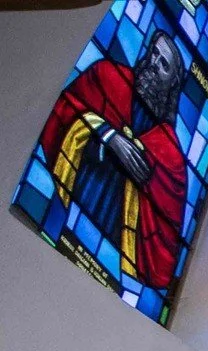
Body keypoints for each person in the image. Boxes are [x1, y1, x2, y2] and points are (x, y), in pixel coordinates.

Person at [33, 29, 191, 293]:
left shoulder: (171, 152)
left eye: (163, 65)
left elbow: (167, 220)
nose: (153, 64)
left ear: (172, 84)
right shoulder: (107, 76)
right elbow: (66, 108)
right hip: (71, 199)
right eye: (153, 54)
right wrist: (107, 136)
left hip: (116, 245)